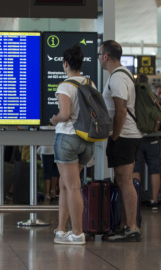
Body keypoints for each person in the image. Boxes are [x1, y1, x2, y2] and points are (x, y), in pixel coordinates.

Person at [50, 44, 95, 245]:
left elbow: (65, 114)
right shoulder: (89, 83)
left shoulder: (65, 86)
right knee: (66, 184)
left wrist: (54, 119)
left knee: (73, 186)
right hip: (86, 141)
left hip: (67, 139)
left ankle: (77, 234)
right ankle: (61, 229)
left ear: (66, 63)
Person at [100, 40, 143, 242]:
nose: (99, 58)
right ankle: (126, 225)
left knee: (125, 182)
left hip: (124, 136)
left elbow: (121, 110)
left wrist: (115, 136)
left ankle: (132, 227)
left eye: (100, 54)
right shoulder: (123, 74)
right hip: (128, 136)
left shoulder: (117, 78)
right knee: (123, 180)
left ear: (106, 56)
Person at [133, 74, 160, 210]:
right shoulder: (152, 96)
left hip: (138, 136)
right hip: (153, 137)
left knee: (135, 168)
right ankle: (154, 200)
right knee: (155, 169)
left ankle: (136, 201)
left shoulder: (135, 94)